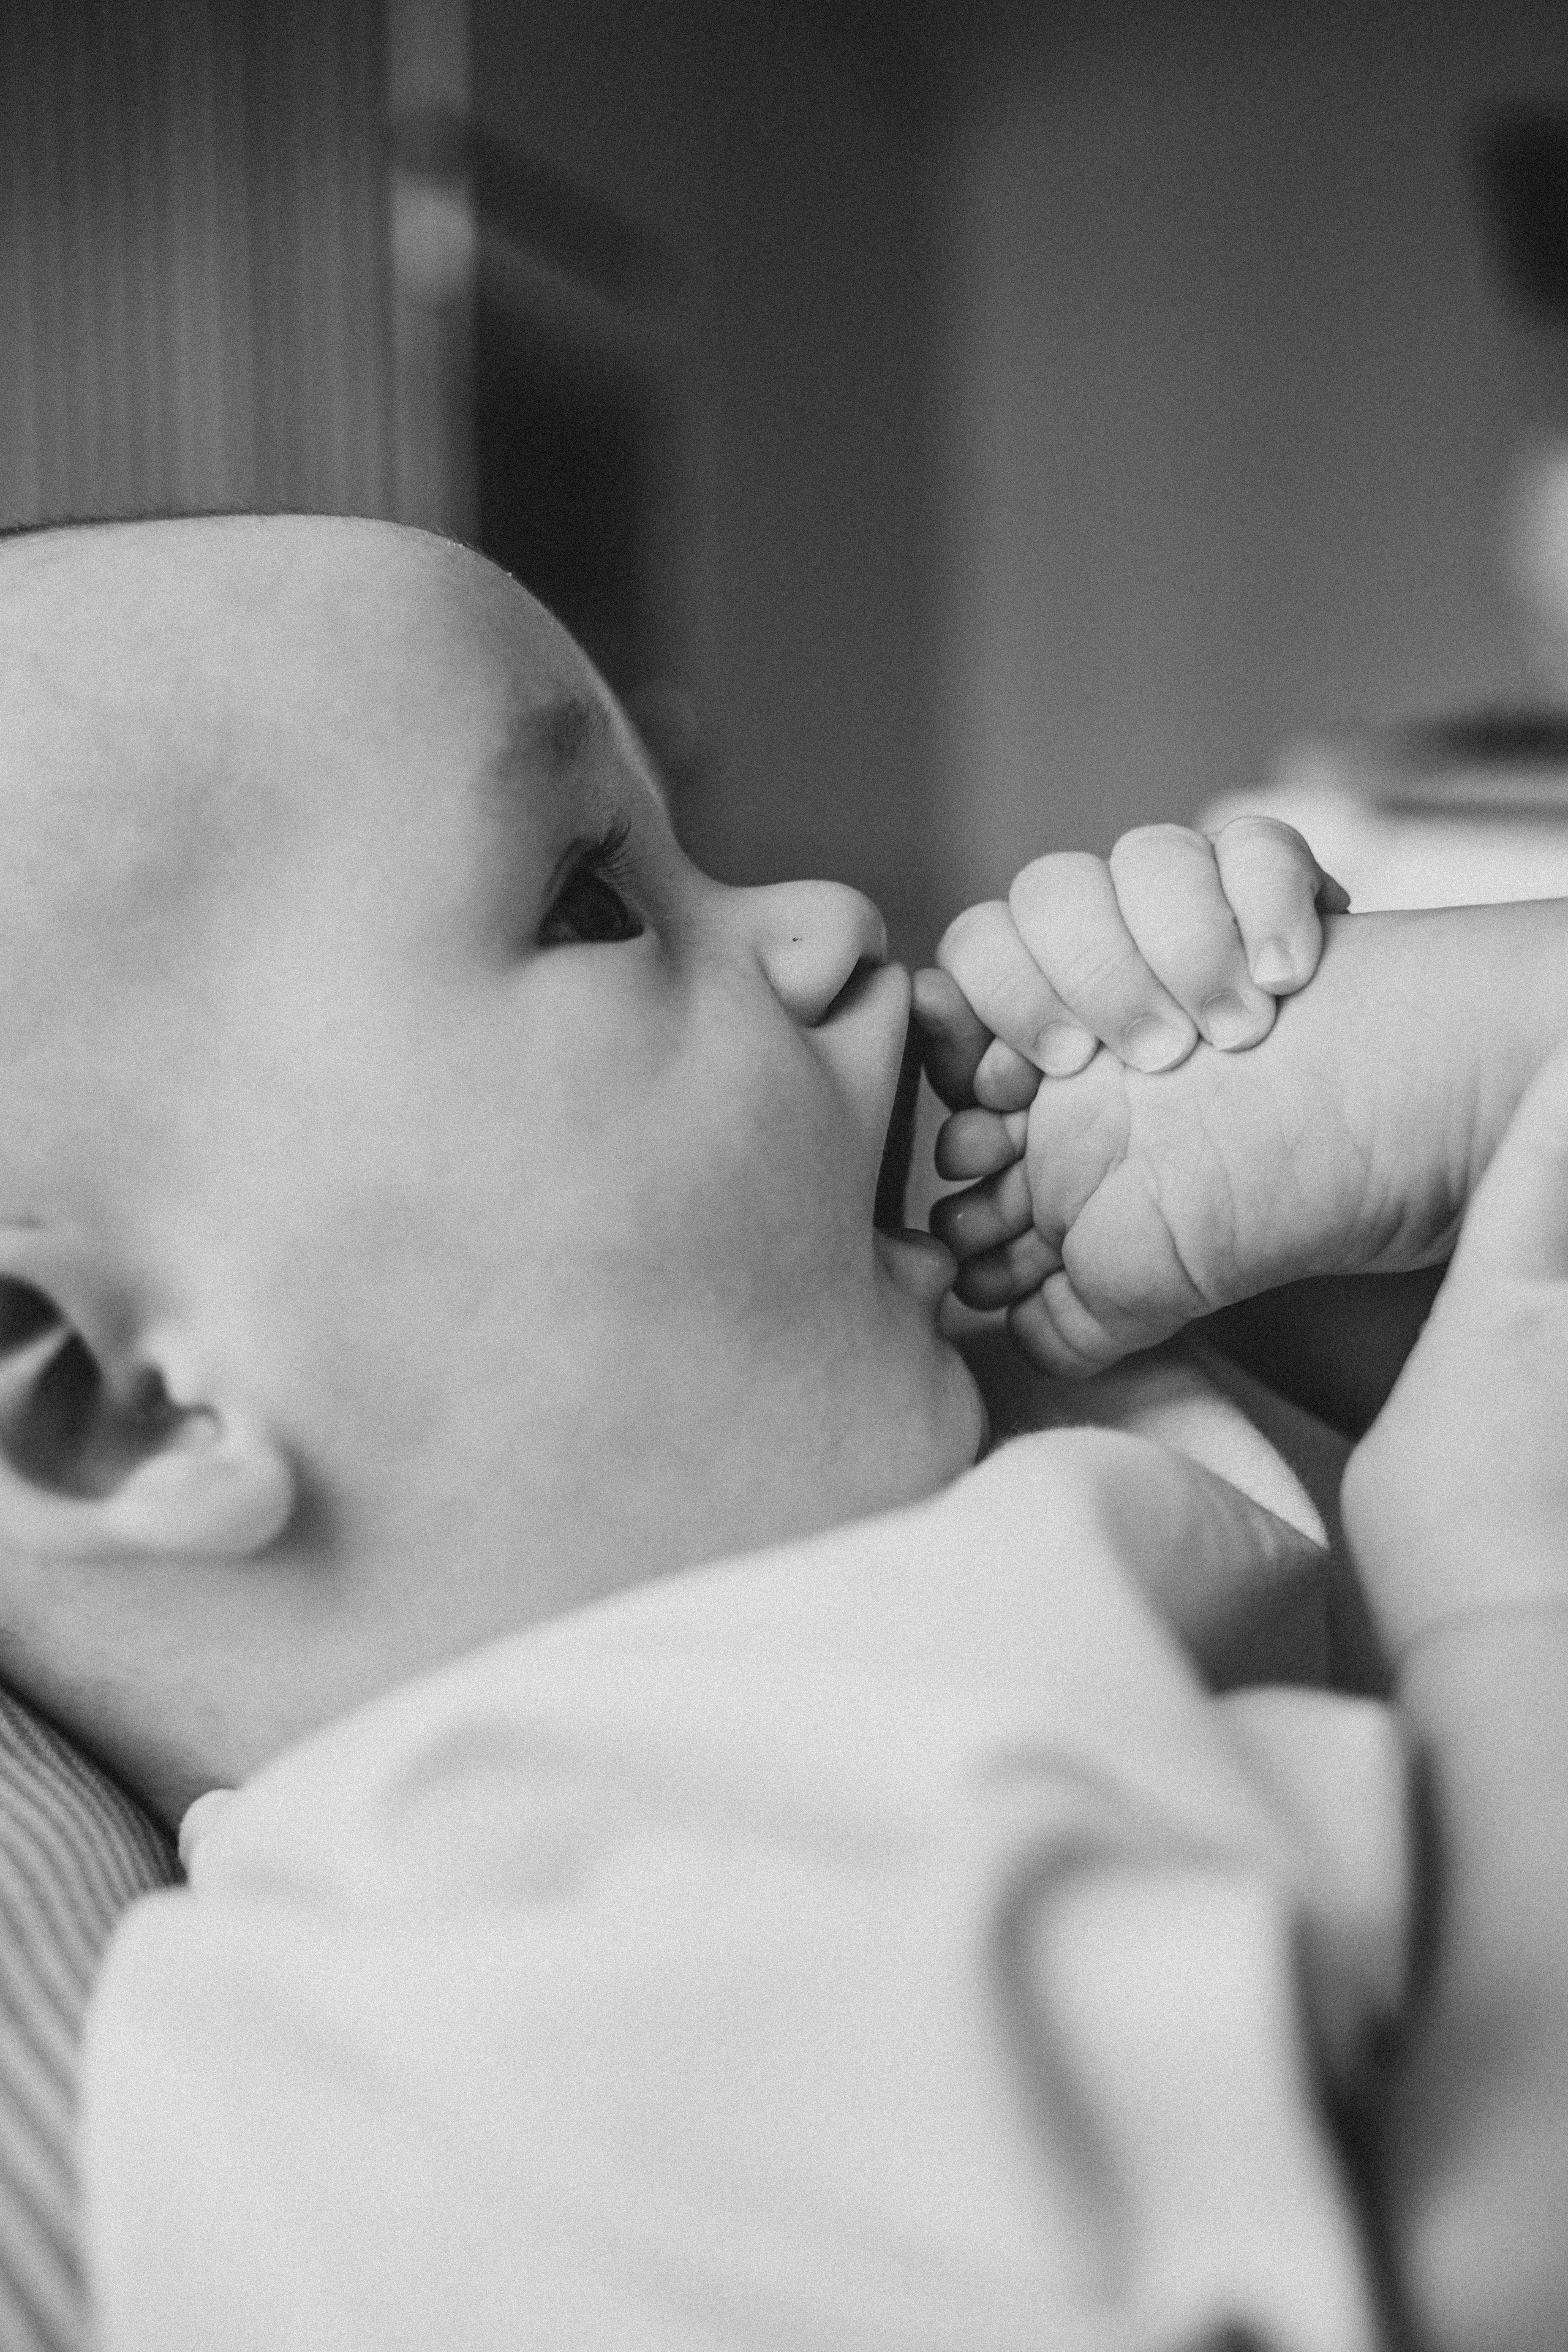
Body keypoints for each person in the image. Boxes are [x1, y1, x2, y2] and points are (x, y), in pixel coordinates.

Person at [0, 508, 1553, 2350]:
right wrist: (1504, 1618)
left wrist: (1390, 1153)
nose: (823, 921)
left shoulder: (880, 1533)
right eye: (591, 900)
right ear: (127, 1406)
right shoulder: (499, 2004)